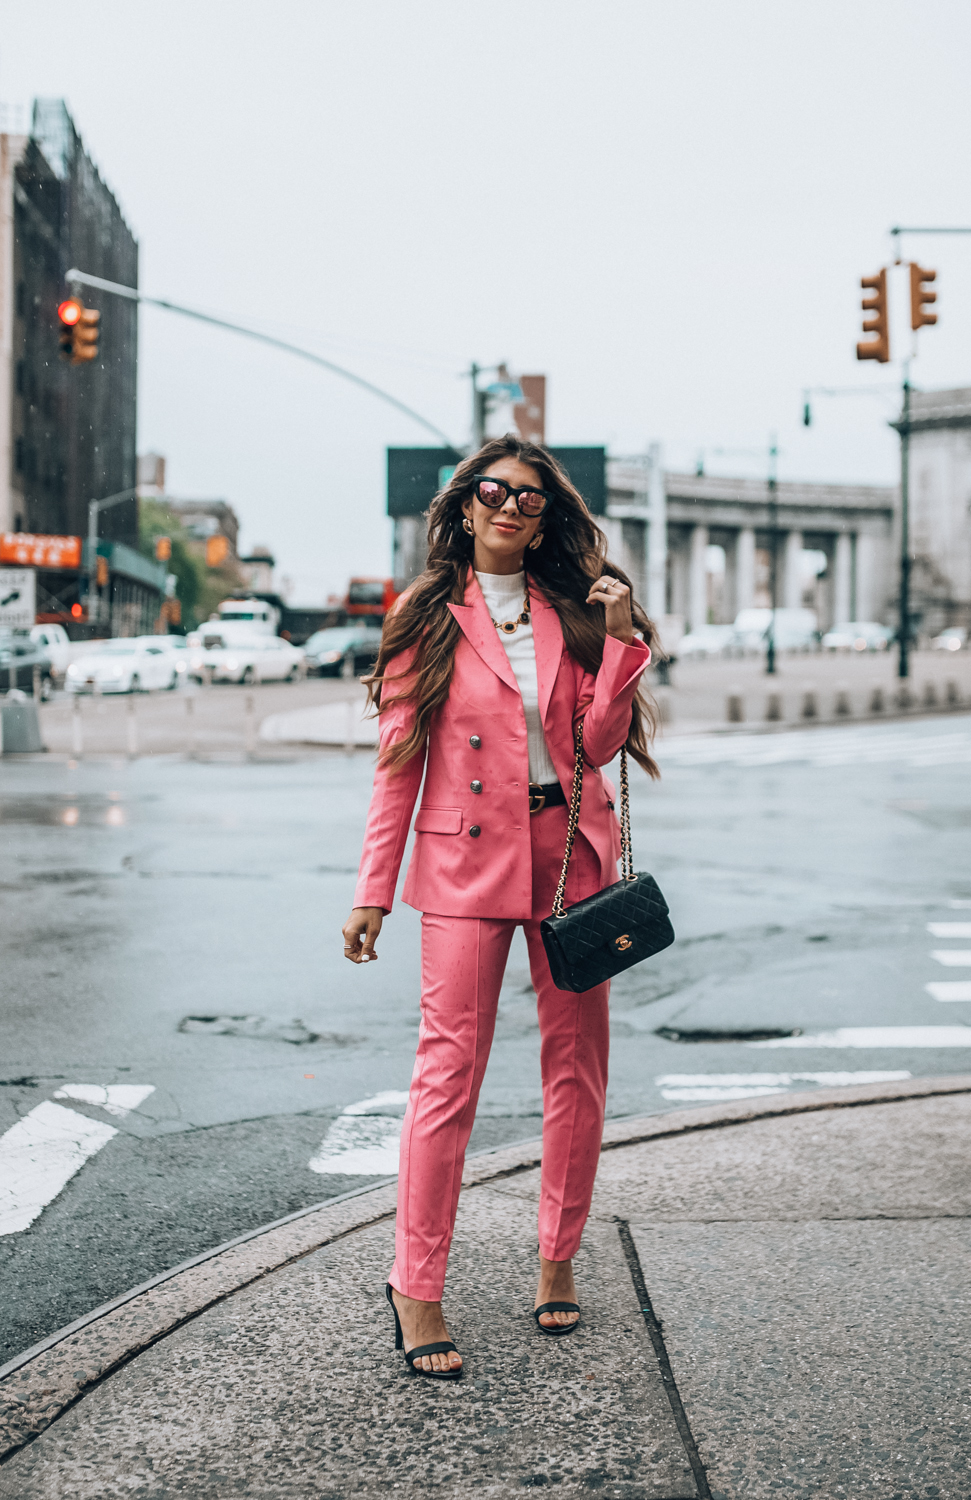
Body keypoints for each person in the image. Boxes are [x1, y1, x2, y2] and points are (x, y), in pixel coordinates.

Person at [342, 435, 659, 1379]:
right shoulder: (429, 613)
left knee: (578, 1070)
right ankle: (417, 1285)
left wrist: (624, 639)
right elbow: (400, 762)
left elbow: (597, 746)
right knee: (449, 1077)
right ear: (465, 506)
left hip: (570, 862)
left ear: (547, 517)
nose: (512, 507)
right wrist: (372, 891)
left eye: (531, 498)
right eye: (495, 491)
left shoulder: (572, 611)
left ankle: (557, 1261)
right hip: (466, 865)